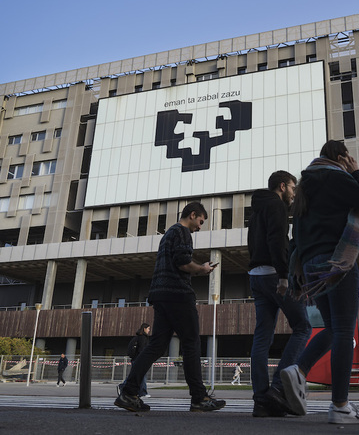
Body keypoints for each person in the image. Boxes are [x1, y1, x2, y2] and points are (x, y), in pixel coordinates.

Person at [281, 140, 359, 425]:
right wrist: (358, 172)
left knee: (331, 328)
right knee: (343, 332)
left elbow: (298, 232)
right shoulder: (336, 177)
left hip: (311, 264)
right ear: (342, 157)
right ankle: (340, 405)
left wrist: (299, 267)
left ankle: (299, 370)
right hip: (337, 261)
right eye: (348, 158)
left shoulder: (305, 185)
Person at [114, 202, 225, 413]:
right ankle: (198, 398)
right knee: (191, 343)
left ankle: (128, 392)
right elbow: (183, 263)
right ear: (193, 215)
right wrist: (202, 269)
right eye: (200, 222)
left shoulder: (168, 234)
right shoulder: (183, 232)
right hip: (178, 294)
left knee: (156, 346)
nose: (200, 227)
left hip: (160, 294)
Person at [247, 170, 311, 417]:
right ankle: (277, 388)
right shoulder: (277, 206)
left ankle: (261, 400)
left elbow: (254, 243)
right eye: (293, 188)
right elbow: (278, 240)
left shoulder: (258, 208)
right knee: (303, 326)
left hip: (256, 276)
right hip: (275, 275)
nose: (294, 194)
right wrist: (284, 275)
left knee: (262, 336)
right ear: (282, 186)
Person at [118, 323, 151, 397]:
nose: (149, 330)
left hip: (136, 359)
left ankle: (123, 386)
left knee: (135, 375)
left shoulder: (139, 337)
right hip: (139, 360)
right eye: (148, 328)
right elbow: (142, 350)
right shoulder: (143, 338)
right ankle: (142, 392)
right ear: (144, 328)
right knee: (141, 375)